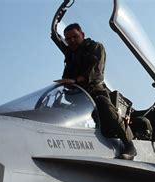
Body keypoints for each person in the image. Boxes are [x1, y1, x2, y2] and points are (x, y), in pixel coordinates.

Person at [52, 23, 136, 160]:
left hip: (95, 91)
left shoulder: (96, 47)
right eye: (68, 39)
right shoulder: (70, 55)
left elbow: (96, 72)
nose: (71, 40)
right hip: (78, 95)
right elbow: (66, 77)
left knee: (106, 107)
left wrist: (75, 81)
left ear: (82, 35)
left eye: (75, 36)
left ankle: (129, 144)